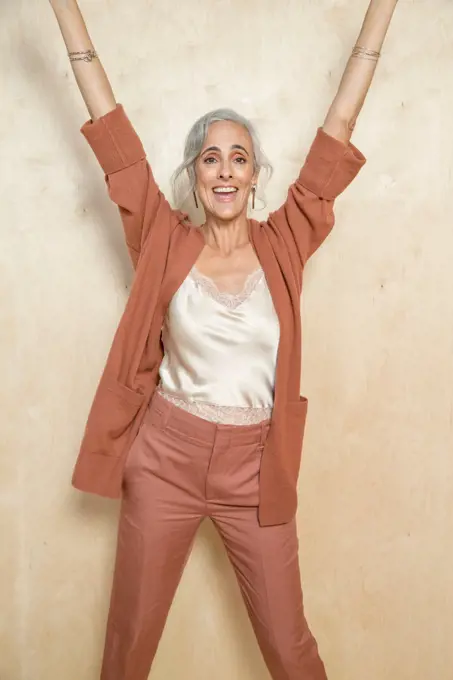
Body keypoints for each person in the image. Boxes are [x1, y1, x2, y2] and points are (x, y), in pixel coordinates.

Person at [48, 1, 399, 678]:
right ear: (195, 175)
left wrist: (381, 11)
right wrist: (65, 11)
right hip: (164, 462)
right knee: (128, 647)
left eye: (239, 157)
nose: (226, 170)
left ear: (255, 175)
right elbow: (113, 137)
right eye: (211, 158)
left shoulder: (286, 242)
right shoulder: (162, 239)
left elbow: (339, 125)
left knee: (289, 646)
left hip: (253, 470)